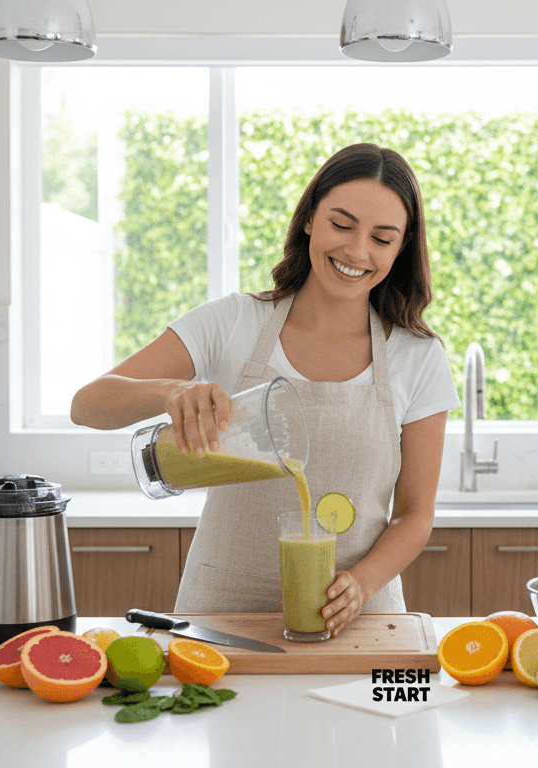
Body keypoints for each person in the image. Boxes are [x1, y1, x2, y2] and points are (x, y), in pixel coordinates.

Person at [71, 143, 460, 637]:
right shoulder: (234, 321)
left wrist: (360, 586)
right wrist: (170, 392)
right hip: (220, 614)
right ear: (309, 220)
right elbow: (87, 405)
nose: (357, 251)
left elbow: (415, 514)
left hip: (359, 618)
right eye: (341, 225)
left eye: (382, 238)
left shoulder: (416, 356)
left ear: (400, 248)